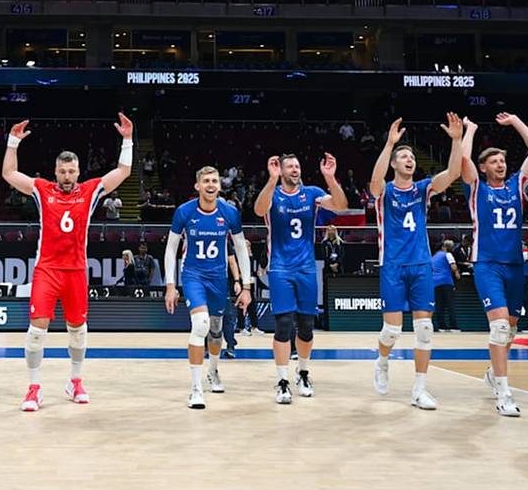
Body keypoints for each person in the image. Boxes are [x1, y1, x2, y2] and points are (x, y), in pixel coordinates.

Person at [2, 113, 134, 412]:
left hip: (75, 271)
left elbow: (124, 171)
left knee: (78, 330)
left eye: (71, 171)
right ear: (55, 172)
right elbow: (9, 173)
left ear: (78, 172)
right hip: (47, 270)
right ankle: (34, 388)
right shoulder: (41, 189)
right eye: (62, 171)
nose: (66, 176)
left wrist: (127, 139)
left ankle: (75, 382)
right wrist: (12, 142)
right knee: (37, 331)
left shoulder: (90, 190)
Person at [369, 114, 464, 410]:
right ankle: (382, 361)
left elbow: (453, 173)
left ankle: (419, 389)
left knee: (424, 329)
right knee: (392, 331)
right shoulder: (385, 192)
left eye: (411, 156)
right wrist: (390, 144)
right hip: (393, 266)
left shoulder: (422, 188)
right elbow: (374, 181)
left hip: (421, 265)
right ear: (394, 164)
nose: (409, 159)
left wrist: (457, 140)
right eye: (404, 157)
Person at [459, 111, 528, 417]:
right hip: (487, 264)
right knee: (498, 328)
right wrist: (470, 130)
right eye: (494, 161)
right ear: (483, 167)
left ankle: (493, 373)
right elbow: (463, 160)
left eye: (502, 160)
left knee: (509, 330)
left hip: (514, 265)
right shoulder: (477, 189)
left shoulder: (516, 185)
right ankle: (504, 392)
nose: (500, 164)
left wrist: (517, 121)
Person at [253, 150, 349, 404]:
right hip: (280, 268)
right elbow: (258, 209)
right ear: (281, 170)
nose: (295, 170)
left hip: (306, 268)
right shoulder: (273, 194)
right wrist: (271, 179)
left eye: (297, 166)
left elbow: (341, 206)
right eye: (290, 167)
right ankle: (282, 380)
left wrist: (330, 177)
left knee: (306, 325)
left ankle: (303, 373)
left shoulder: (312, 193)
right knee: (284, 324)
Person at [165, 166, 252, 409]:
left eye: (214, 181)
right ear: (198, 186)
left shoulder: (230, 212)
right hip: (193, 275)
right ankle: (195, 389)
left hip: (218, 278)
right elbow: (171, 249)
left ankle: (213, 371)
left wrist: (246, 285)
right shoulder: (184, 212)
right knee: (200, 324)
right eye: (206, 181)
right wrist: (170, 285)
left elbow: (241, 248)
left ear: (220, 186)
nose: (211, 185)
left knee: (215, 330)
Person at [431, 239, 460, 332]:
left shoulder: (433, 257)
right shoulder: (448, 254)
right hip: (446, 282)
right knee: (450, 304)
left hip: (435, 283)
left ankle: (441, 326)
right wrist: (456, 273)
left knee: (439, 306)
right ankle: (454, 326)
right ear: (444, 247)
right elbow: (453, 267)